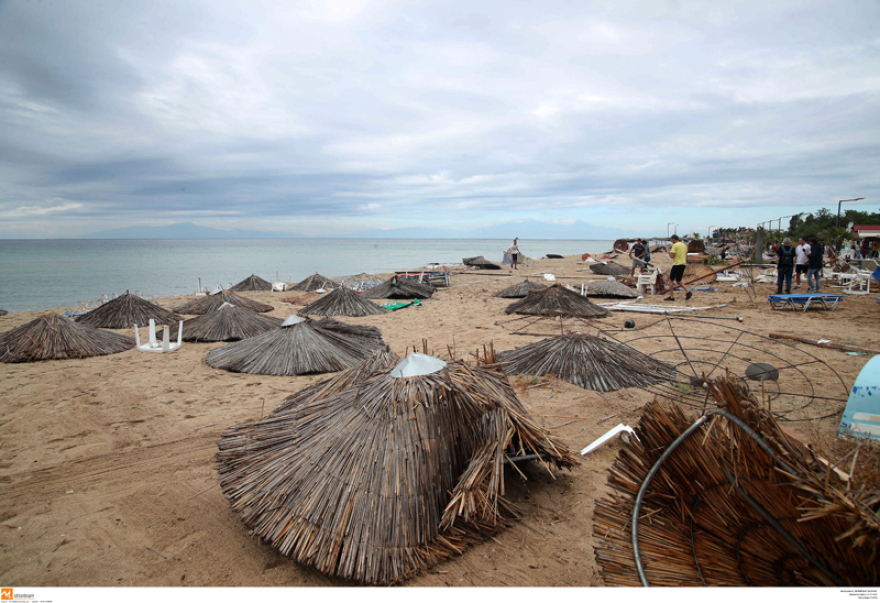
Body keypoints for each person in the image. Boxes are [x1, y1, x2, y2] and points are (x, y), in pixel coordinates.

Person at [665, 234, 692, 302]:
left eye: (672, 240)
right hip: (683, 264)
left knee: (671, 280)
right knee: (678, 280)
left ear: (673, 239)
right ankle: (688, 291)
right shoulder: (684, 245)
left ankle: (671, 296)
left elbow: (672, 256)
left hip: (677, 264)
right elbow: (685, 255)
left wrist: (669, 252)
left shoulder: (675, 245)